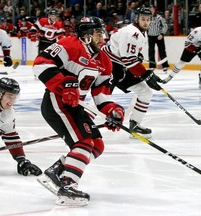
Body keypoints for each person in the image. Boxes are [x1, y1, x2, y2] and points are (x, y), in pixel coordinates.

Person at [33, 17, 124, 206]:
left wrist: (112, 110)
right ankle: (67, 186)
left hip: (77, 106)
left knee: (97, 144)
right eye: (98, 34)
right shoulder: (69, 45)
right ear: (86, 35)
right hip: (56, 102)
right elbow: (41, 64)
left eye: (103, 34)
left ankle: (56, 171)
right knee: (83, 142)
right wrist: (64, 84)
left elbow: (101, 94)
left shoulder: (104, 61)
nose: (103, 38)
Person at [102, 7, 162, 138]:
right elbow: (128, 59)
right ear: (137, 19)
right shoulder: (133, 33)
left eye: (148, 20)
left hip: (121, 66)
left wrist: (145, 70)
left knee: (145, 91)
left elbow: (130, 56)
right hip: (109, 65)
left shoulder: (139, 32)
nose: (145, 22)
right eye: (143, 19)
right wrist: (147, 75)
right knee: (102, 98)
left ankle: (135, 125)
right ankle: (82, 123)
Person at [147, 5, 169, 72]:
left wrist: (162, 34)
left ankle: (165, 65)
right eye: (150, 9)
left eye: (152, 9)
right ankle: (152, 66)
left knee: (162, 51)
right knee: (151, 51)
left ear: (155, 10)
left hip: (158, 36)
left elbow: (165, 26)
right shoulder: (147, 17)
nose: (151, 10)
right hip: (150, 36)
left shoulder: (159, 17)